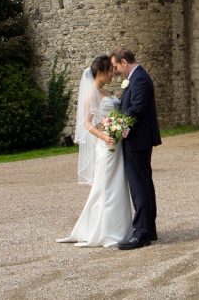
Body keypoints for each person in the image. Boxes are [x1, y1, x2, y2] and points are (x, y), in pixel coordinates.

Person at [56, 55, 132, 247]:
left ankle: (118, 228)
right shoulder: (91, 94)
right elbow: (87, 124)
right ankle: (100, 230)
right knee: (104, 187)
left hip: (117, 144)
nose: (112, 75)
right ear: (100, 72)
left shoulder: (108, 92)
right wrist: (105, 136)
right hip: (105, 146)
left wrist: (119, 128)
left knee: (117, 187)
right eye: (109, 72)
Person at [111, 48, 162, 250]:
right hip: (138, 139)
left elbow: (136, 108)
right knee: (144, 184)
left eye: (116, 66)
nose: (116, 71)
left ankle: (141, 233)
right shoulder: (136, 78)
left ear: (124, 62)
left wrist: (118, 126)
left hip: (138, 140)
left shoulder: (139, 78)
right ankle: (148, 229)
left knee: (139, 186)